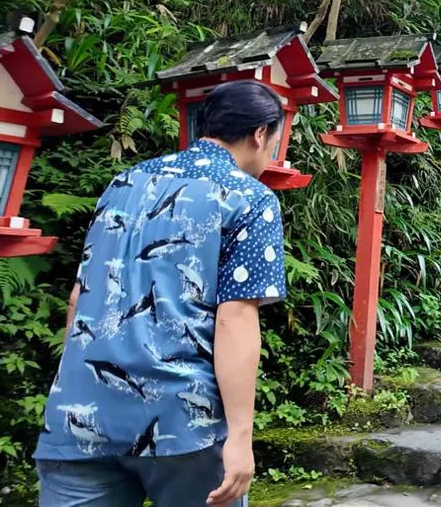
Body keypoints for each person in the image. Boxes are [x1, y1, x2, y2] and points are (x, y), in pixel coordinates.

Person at [35, 81, 288, 507]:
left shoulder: (123, 182)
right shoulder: (249, 196)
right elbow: (235, 319)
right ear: (260, 134)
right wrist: (241, 438)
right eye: (275, 143)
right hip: (181, 421)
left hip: (79, 414)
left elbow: (82, 297)